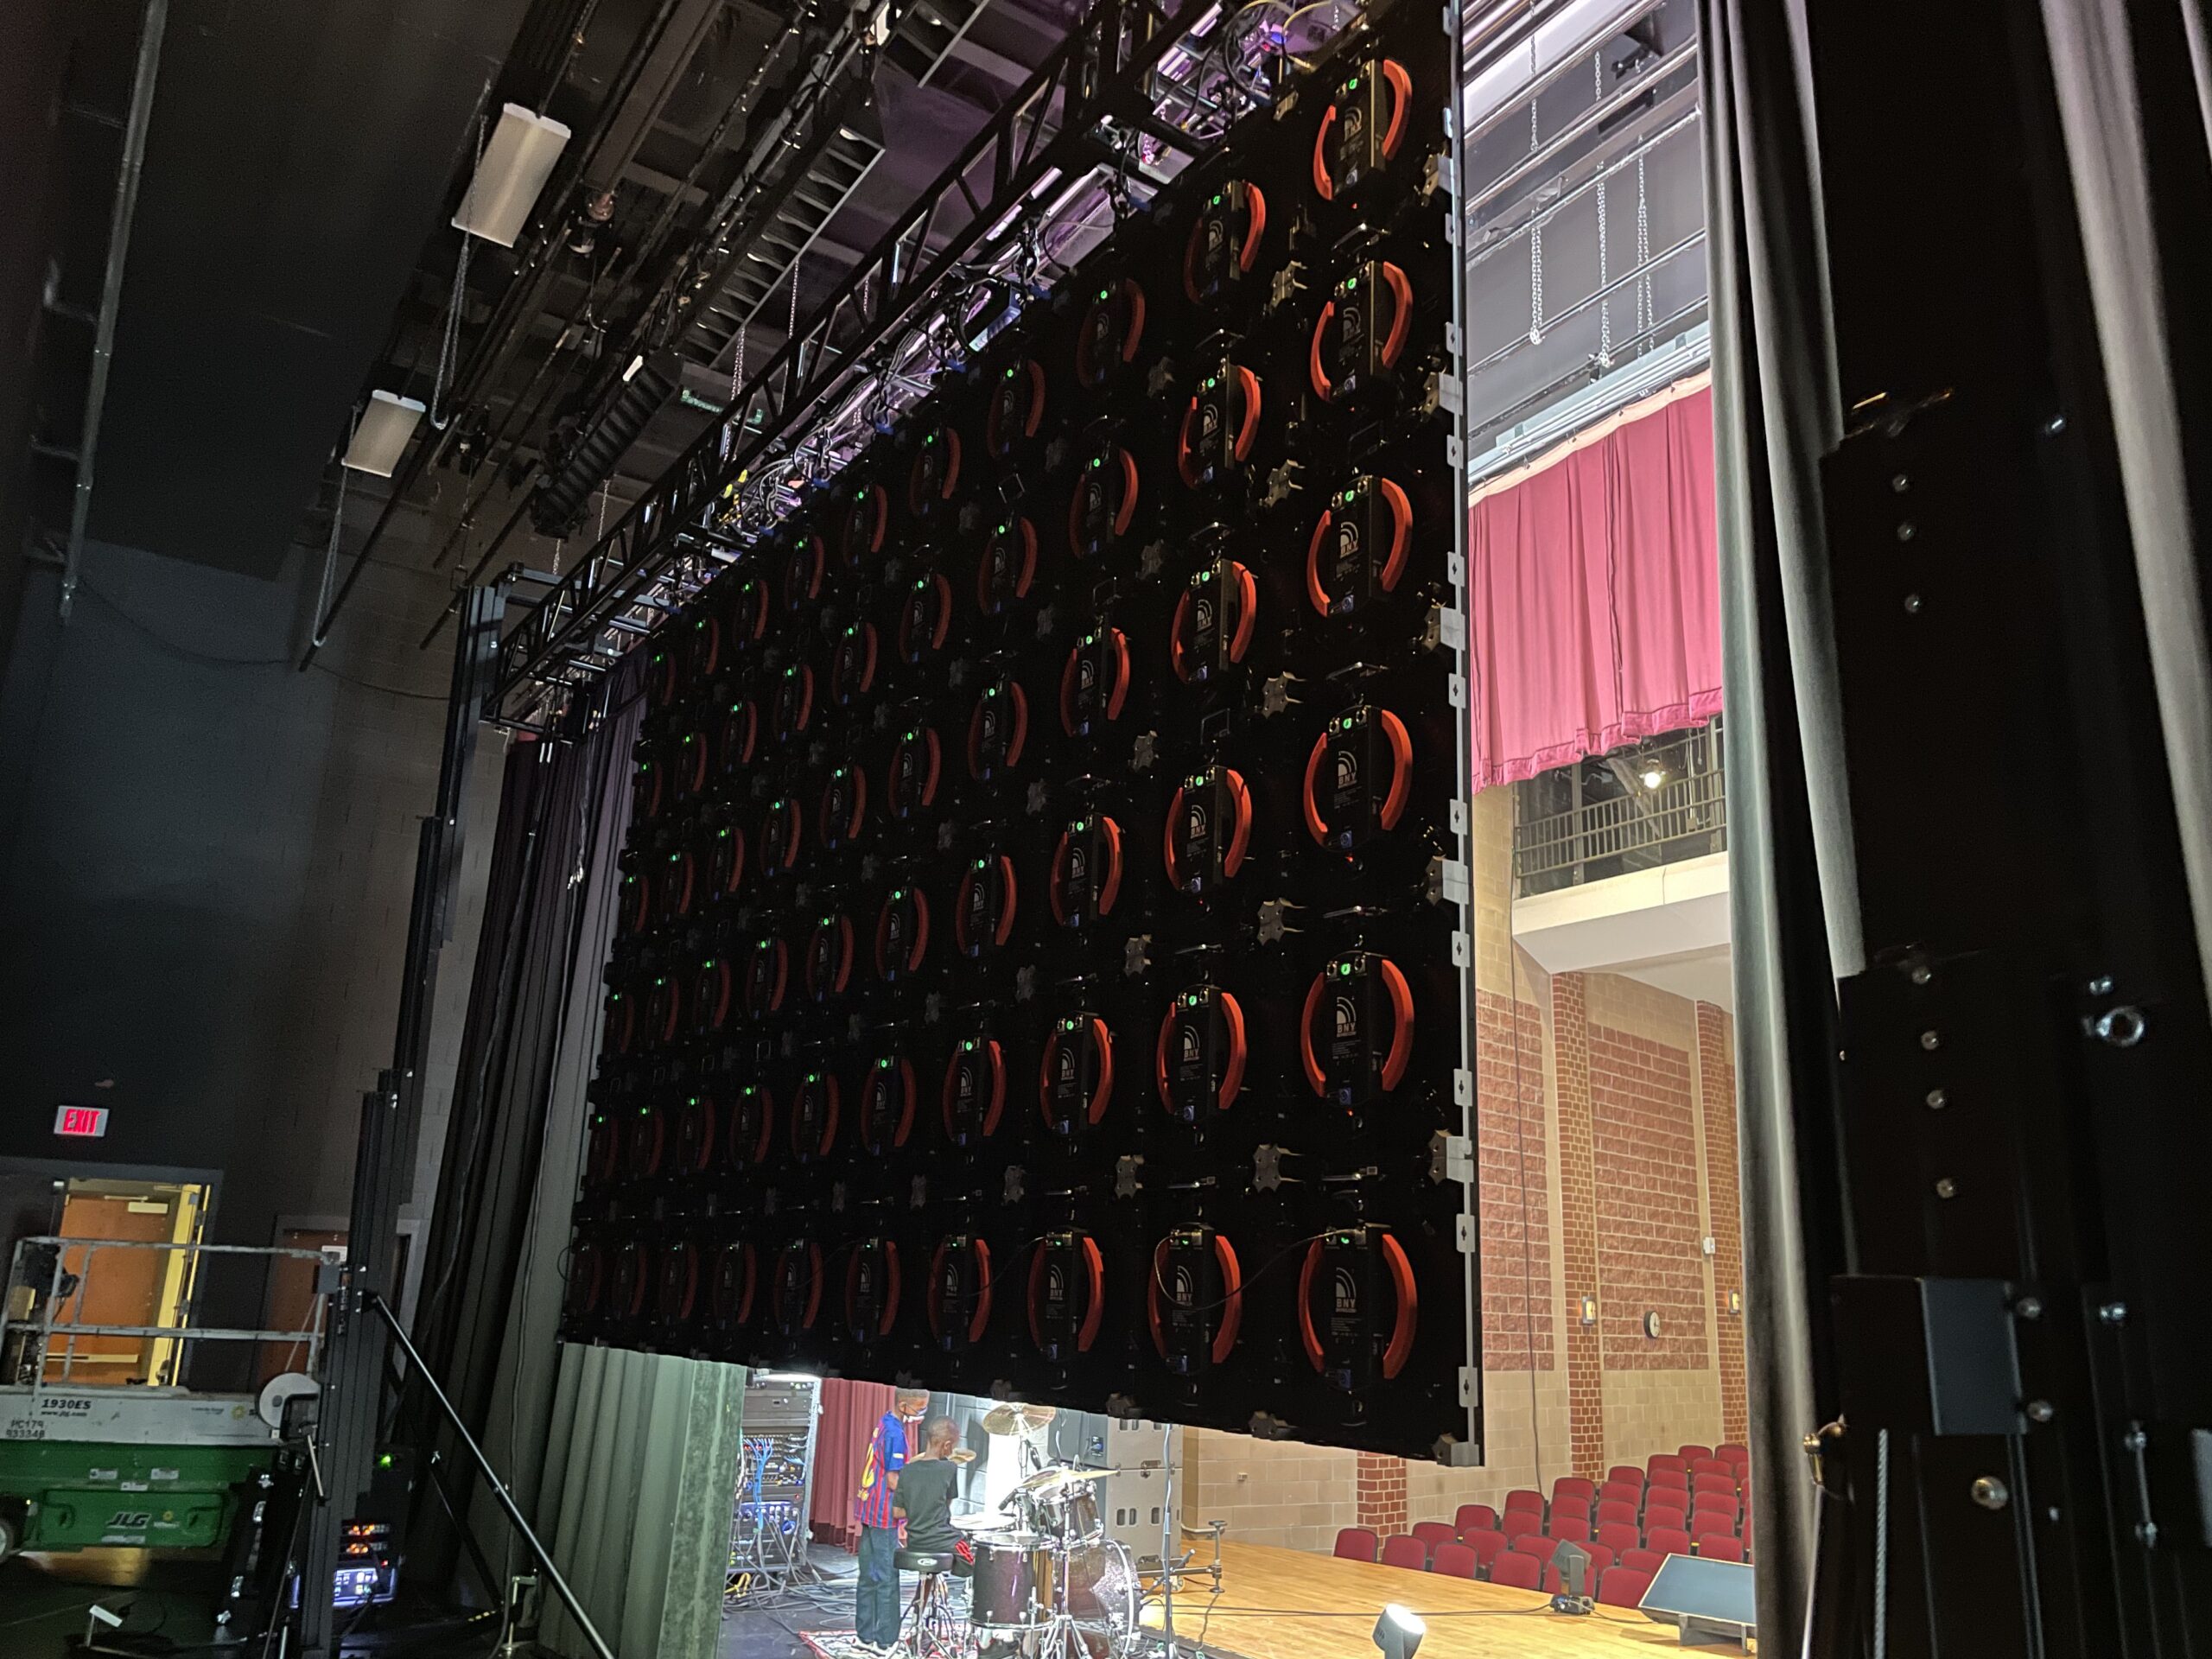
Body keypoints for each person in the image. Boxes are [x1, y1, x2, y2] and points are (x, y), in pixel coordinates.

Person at [855, 1389, 928, 1656]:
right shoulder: (896, 1434)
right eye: (919, 1407)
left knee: (868, 1576)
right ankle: (886, 1642)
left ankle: (865, 1636)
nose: (921, 1413)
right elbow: (894, 1481)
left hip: (868, 1508)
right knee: (887, 1578)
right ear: (903, 1404)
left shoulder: (885, 1422)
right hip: (884, 1514)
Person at [892, 1419, 963, 1560]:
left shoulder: (907, 1470)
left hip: (915, 1542)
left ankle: (928, 1574)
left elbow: (897, 1512)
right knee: (972, 1557)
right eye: (953, 1447)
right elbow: (945, 1505)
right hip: (941, 1539)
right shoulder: (949, 1468)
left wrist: (917, 1509)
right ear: (947, 1445)